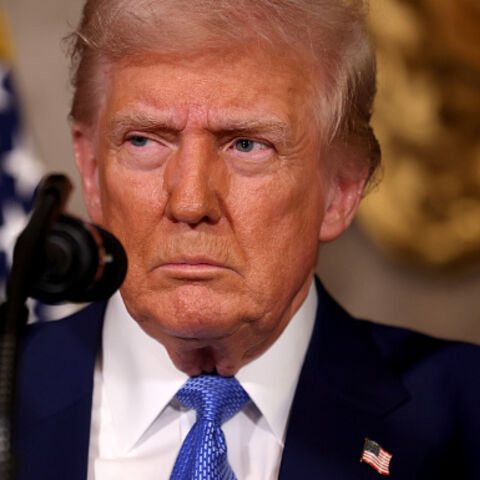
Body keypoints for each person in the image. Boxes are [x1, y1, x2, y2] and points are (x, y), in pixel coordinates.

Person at [13, 0, 480, 479]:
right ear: (90, 171)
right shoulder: (10, 391)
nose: (191, 202)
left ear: (341, 188)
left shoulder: (465, 416)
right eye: (144, 140)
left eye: (247, 145)